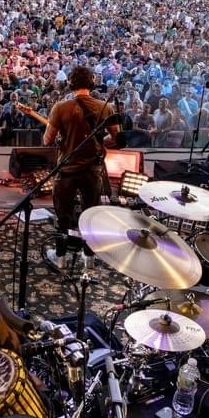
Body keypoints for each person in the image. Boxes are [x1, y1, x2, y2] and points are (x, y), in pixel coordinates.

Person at [41, 65, 118, 273]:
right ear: (92, 83)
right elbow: (116, 138)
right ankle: (88, 259)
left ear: (71, 83)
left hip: (66, 170)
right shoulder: (105, 107)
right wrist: (99, 142)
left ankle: (60, 258)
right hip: (93, 171)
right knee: (90, 215)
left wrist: (61, 136)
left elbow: (47, 140)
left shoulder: (60, 107)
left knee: (63, 214)